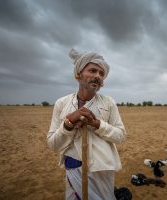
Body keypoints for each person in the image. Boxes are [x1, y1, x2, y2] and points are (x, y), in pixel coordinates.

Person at [47, 49, 126, 200]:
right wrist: (68, 124)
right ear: (78, 75)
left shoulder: (108, 103)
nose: (97, 75)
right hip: (73, 168)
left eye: (101, 73)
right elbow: (53, 145)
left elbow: (121, 136)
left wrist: (97, 124)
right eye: (92, 70)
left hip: (102, 171)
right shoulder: (62, 103)